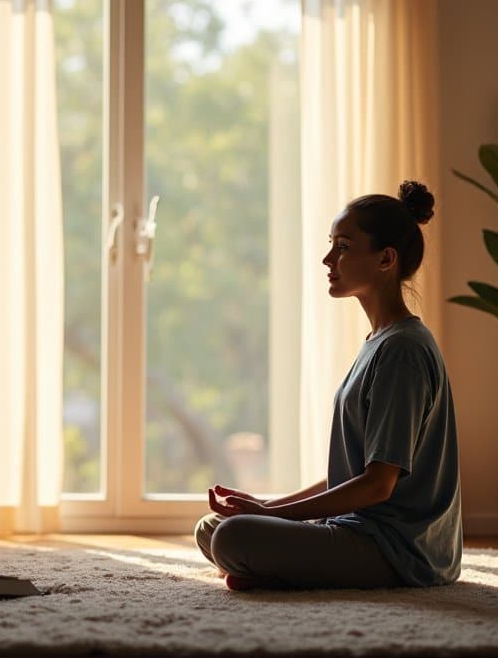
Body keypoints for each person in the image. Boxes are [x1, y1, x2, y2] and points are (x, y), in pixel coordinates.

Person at [194, 180, 461, 591]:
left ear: (385, 259)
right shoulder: (380, 343)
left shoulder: (402, 352)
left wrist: (277, 518)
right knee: (212, 528)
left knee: (233, 537)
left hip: (398, 551)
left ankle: (279, 574)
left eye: (343, 247)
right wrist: (266, 506)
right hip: (358, 530)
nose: (327, 259)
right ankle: (275, 572)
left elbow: (377, 484)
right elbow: (350, 475)